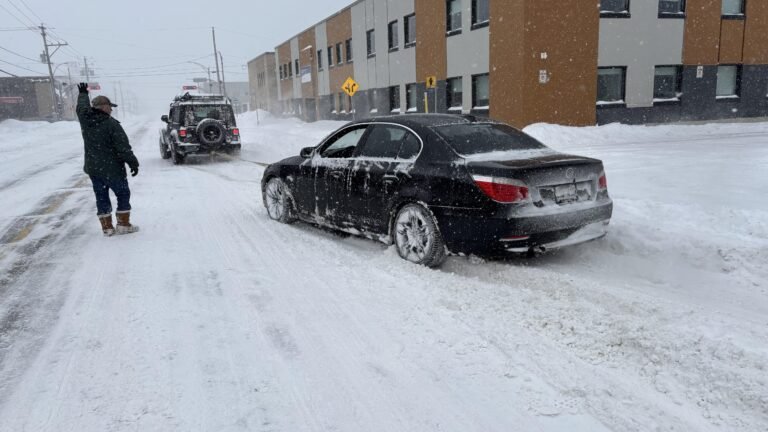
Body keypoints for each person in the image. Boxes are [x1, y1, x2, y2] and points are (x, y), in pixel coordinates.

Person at [76, 82, 140, 236]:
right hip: (113, 169)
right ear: (103, 107)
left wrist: (83, 94)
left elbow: (81, 108)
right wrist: (133, 162)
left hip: (94, 169)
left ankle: (107, 228)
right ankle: (123, 224)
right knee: (122, 194)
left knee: (101, 196)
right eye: (109, 106)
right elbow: (123, 148)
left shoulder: (86, 120)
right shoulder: (112, 124)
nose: (111, 109)